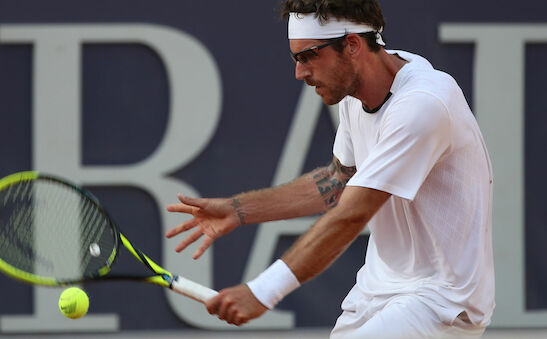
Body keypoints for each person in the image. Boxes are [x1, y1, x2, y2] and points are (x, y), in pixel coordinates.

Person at [165, 0, 495, 337]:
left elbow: (351, 215)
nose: (300, 72)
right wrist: (239, 209)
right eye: (296, 59)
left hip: (440, 303)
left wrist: (263, 291)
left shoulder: (423, 105)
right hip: (377, 291)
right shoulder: (358, 92)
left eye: (308, 56)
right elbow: (337, 181)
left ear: (352, 45)